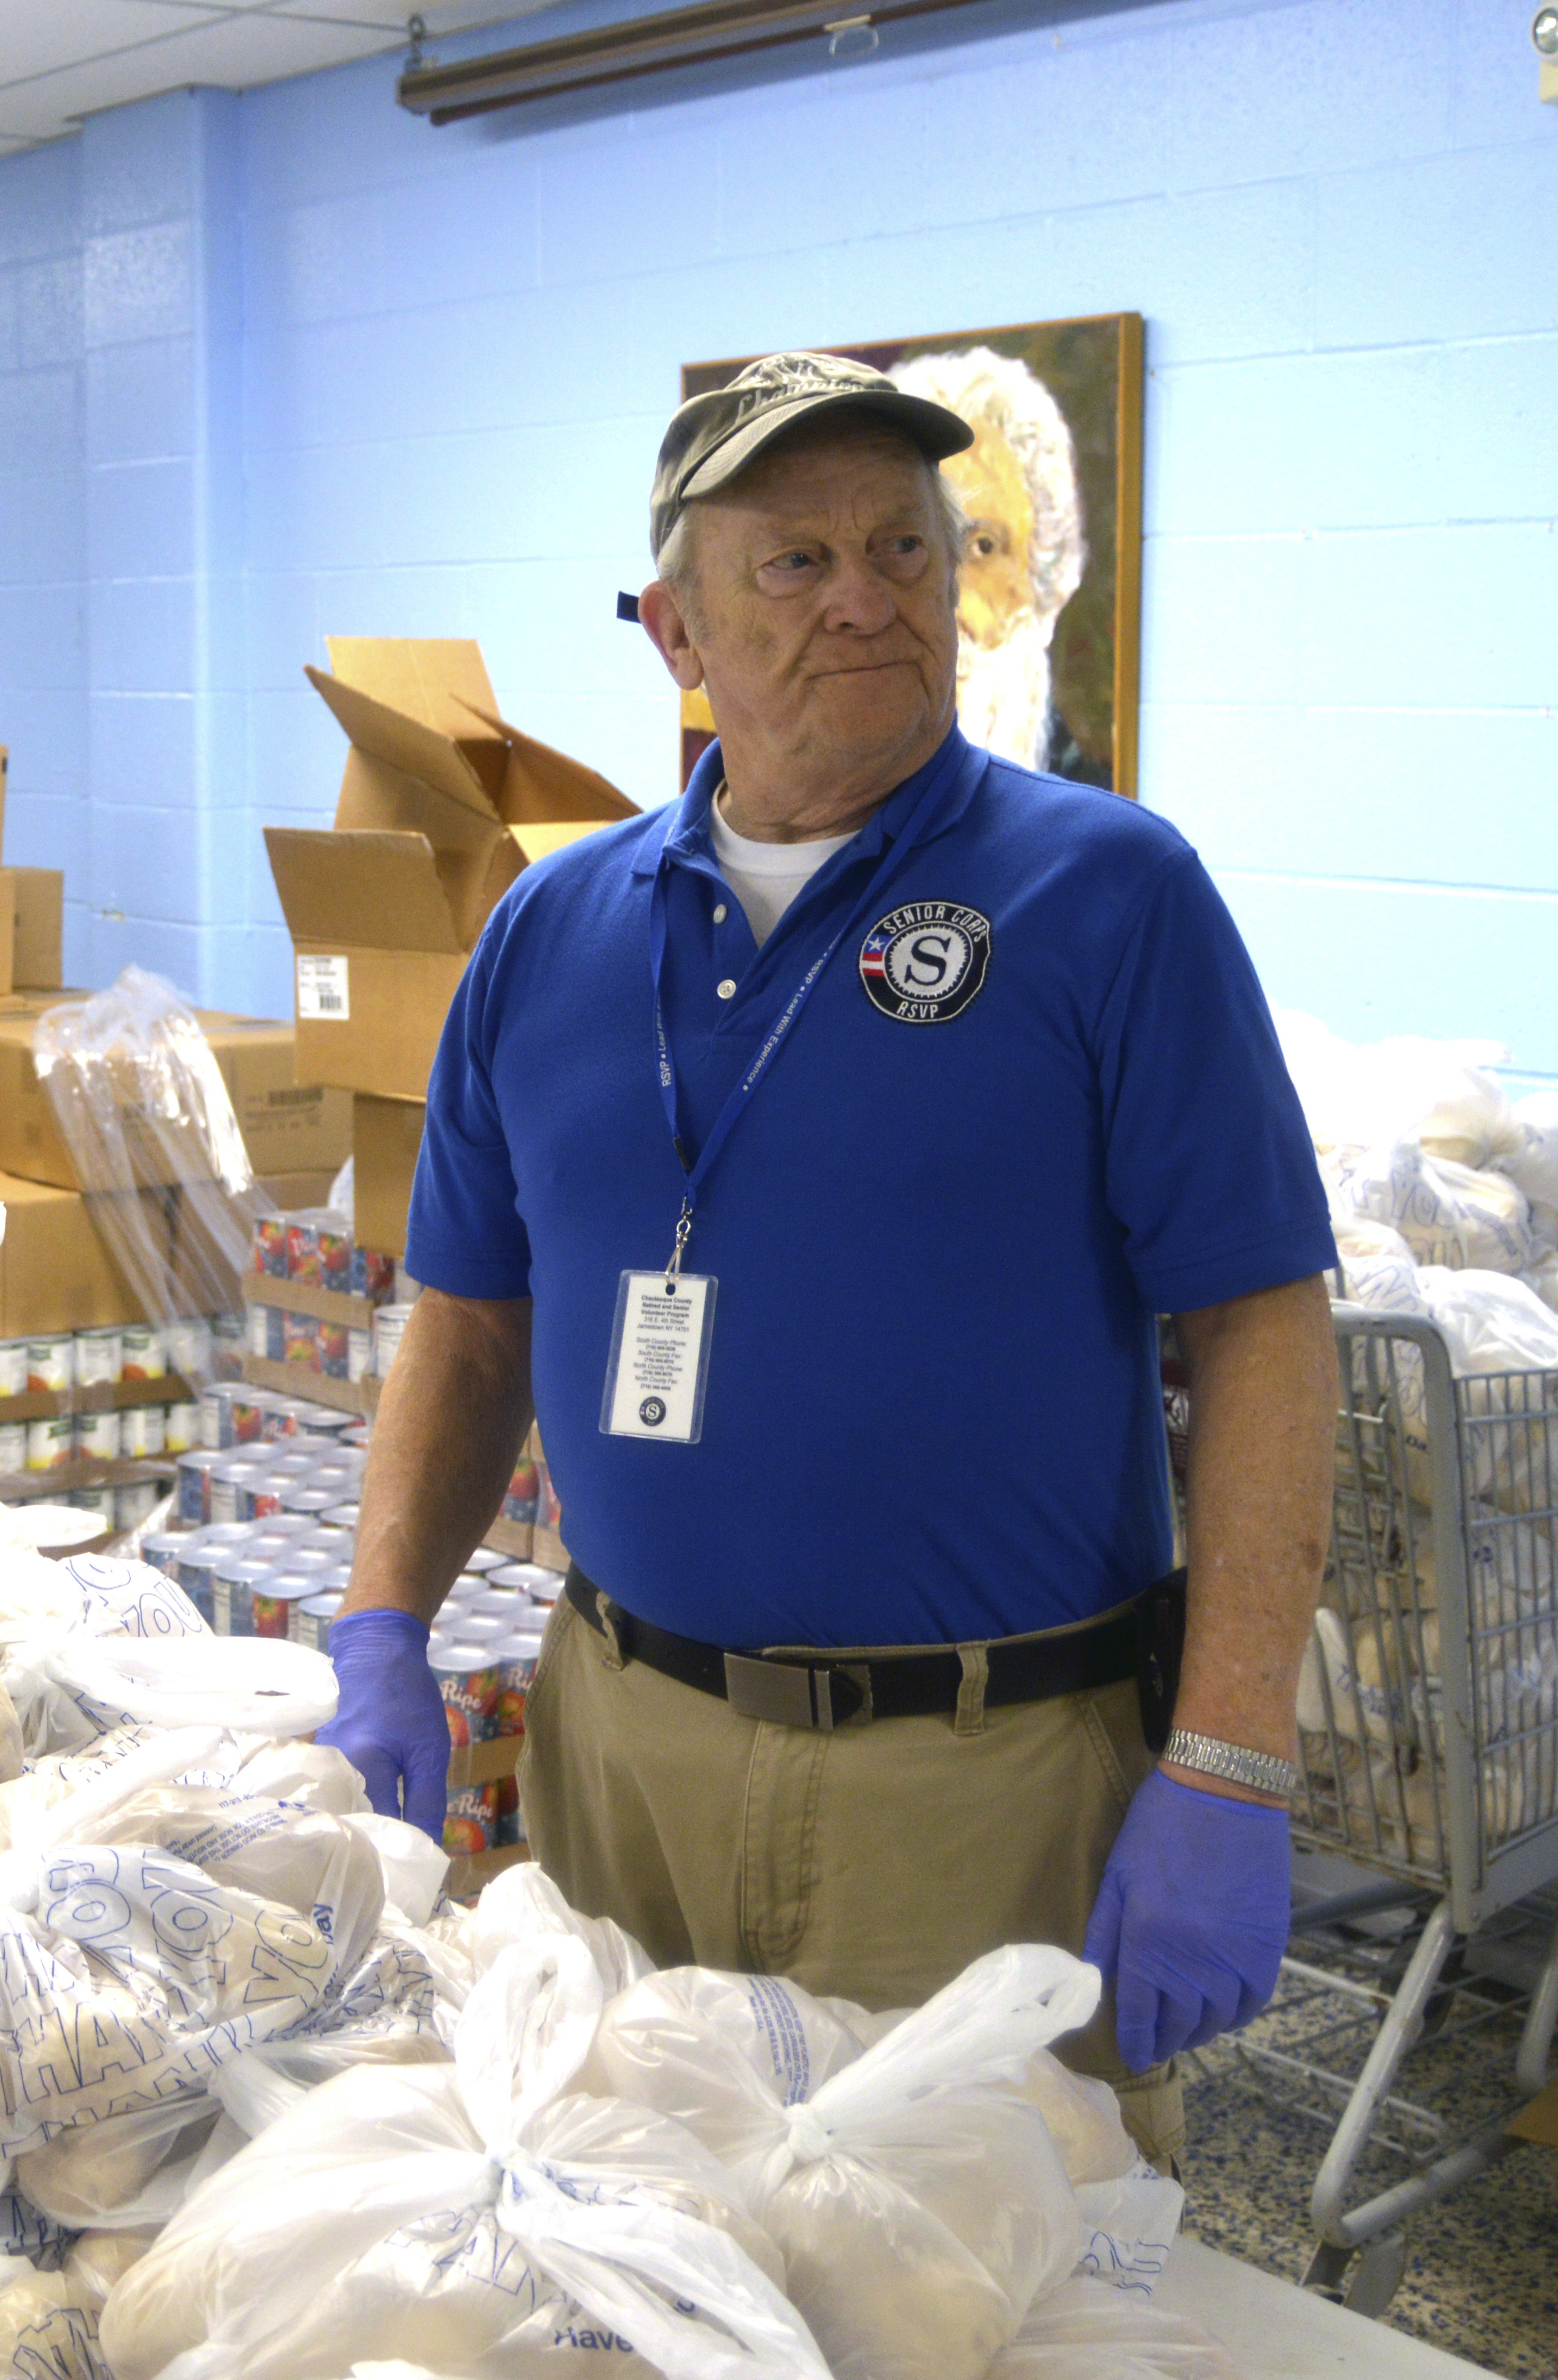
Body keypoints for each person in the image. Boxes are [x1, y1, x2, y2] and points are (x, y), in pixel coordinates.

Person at [312, 350, 1340, 2171]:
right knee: (626, 2255)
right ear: (674, 631)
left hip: (981, 1783)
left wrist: (1231, 1760)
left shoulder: (1108, 895)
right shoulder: (549, 931)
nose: (866, 596)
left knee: (974, 2300)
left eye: (906, 547)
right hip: (618, 1755)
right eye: (792, 561)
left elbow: (1258, 1329)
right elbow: (468, 1321)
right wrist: (381, 1618)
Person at [888, 345, 1091, 779]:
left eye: (982, 547)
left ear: (1042, 575)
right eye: (906, 548)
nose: (941, 600)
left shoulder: (1098, 825)